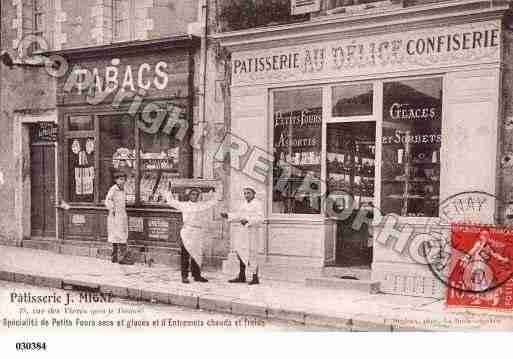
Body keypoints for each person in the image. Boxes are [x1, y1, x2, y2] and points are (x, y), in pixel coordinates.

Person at [166, 187, 219, 284]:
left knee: (197, 254)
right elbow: (171, 202)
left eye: (196, 194)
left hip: (197, 232)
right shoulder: (184, 205)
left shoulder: (201, 205)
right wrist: (169, 191)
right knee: (185, 254)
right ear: (189, 195)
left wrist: (215, 191)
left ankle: (197, 275)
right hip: (187, 231)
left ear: (199, 196)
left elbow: (213, 202)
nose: (194, 196)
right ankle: (184, 276)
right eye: (192, 194)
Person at [221, 187, 264, 285]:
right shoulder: (243, 204)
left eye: (248, 193)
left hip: (252, 232)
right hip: (243, 232)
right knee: (241, 252)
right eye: (245, 193)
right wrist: (228, 215)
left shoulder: (257, 204)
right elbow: (239, 215)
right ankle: (242, 275)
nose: (246, 195)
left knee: (252, 254)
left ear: (254, 194)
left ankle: (255, 277)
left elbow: (261, 218)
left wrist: (249, 221)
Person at [105, 172, 130, 264]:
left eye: (123, 179)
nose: (122, 181)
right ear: (116, 180)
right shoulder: (113, 189)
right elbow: (108, 200)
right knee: (119, 236)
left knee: (117, 235)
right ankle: (121, 258)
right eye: (120, 179)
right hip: (115, 216)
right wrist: (112, 209)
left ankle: (115, 257)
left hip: (121, 215)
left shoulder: (123, 190)